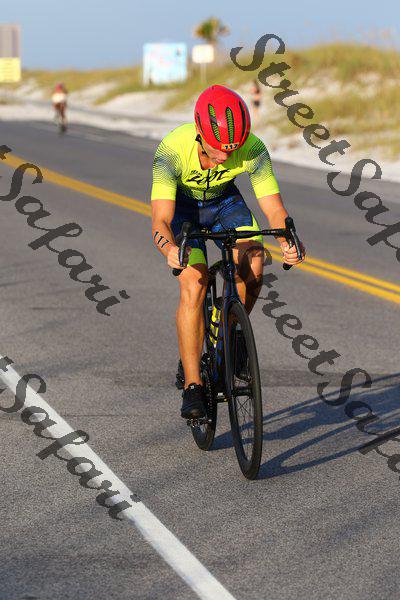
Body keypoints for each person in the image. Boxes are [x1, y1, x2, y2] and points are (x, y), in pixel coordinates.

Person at [151, 85, 305, 419]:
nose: (224, 156)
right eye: (217, 149)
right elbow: (160, 220)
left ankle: (232, 330)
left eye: (232, 150)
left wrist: (287, 240)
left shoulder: (253, 148)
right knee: (193, 283)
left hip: (225, 203)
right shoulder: (171, 150)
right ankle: (193, 384)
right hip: (184, 211)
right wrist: (170, 249)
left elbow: (274, 208)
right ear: (199, 132)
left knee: (254, 262)